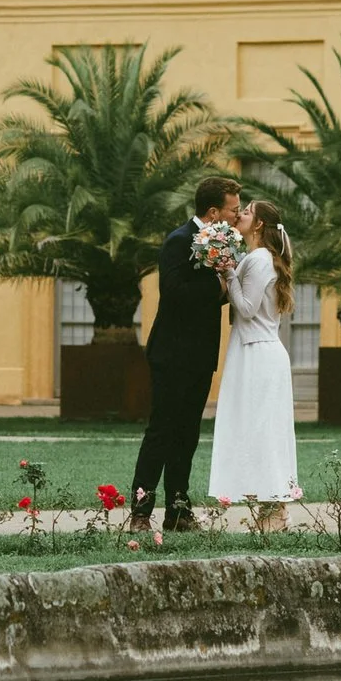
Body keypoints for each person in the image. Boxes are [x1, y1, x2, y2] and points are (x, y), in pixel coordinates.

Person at [133, 175, 242, 530]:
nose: (236, 216)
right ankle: (140, 511)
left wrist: (226, 279)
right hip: (171, 353)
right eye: (232, 210)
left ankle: (178, 511)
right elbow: (176, 292)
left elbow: (214, 295)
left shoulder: (224, 245)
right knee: (162, 432)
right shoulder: (178, 242)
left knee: (188, 435)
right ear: (213, 212)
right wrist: (220, 282)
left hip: (201, 354)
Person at [204, 197, 300, 520]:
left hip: (258, 353)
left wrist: (229, 271)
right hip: (252, 349)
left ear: (258, 224)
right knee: (257, 429)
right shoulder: (257, 257)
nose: (240, 215)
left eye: (246, 212)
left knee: (262, 429)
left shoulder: (259, 259)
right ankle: (270, 507)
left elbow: (245, 308)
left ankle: (274, 509)